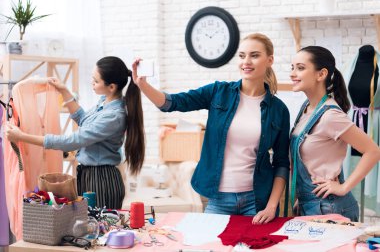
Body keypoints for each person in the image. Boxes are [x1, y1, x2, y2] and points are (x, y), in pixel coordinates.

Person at [132, 33, 290, 224]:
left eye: (254, 55)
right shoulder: (218, 92)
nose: (246, 62)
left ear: (269, 60)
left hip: (256, 201)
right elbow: (172, 103)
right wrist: (143, 85)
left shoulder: (278, 110)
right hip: (219, 199)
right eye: (242, 56)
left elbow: (282, 163)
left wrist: (272, 207)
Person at [5, 56, 145, 209]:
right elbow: (83, 120)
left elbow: (73, 141)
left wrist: (22, 137)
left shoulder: (113, 116)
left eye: (96, 81)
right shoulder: (104, 103)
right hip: (89, 175)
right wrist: (64, 91)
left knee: (101, 227)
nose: (92, 83)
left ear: (111, 87)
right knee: (89, 226)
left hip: (101, 179)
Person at [289, 46, 380, 221]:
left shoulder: (331, 116)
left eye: (300, 68)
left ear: (321, 74)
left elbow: (373, 151)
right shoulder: (306, 109)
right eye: (292, 68)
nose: (293, 74)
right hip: (309, 203)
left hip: (328, 207)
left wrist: (343, 188)